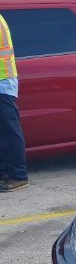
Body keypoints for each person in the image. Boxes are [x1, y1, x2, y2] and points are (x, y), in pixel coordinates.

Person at [0, 11, 27, 192]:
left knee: (9, 131)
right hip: (4, 81)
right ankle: (5, 172)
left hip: (2, 82)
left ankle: (18, 175)